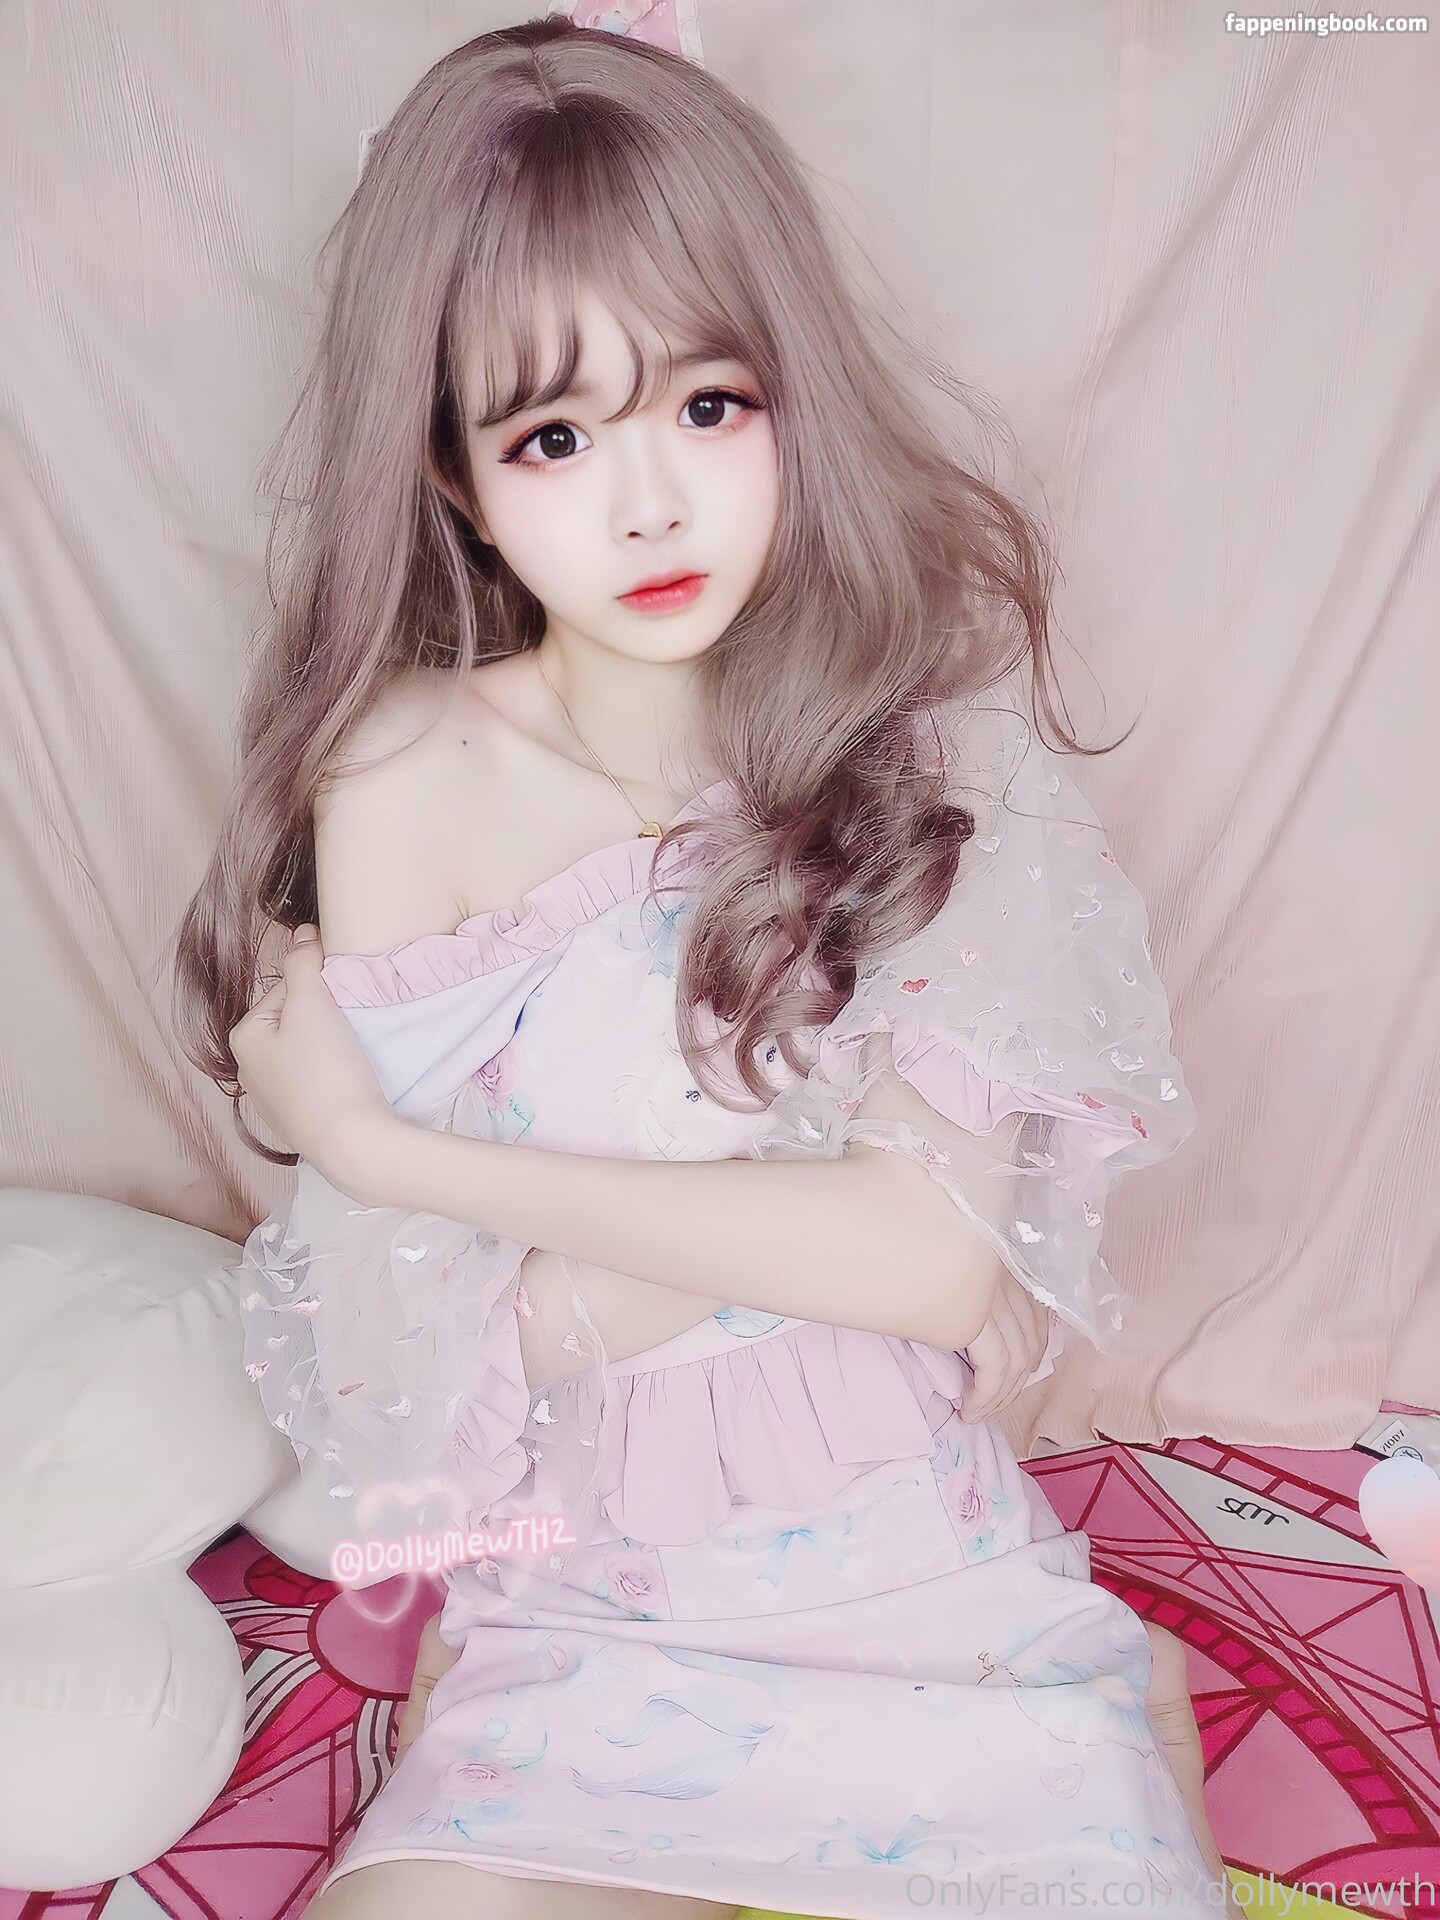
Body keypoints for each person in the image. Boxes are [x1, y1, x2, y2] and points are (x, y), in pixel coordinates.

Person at [172, 17, 1236, 1918]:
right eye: (554, 437)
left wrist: (399, 1159)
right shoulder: (403, 779)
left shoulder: (936, 761)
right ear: (452, 475)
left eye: (711, 406)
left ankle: (1107, 1705)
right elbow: (413, 1357)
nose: (649, 506)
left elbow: (924, 1266)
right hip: (584, 1606)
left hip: (923, 1586)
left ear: (794, 395)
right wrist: (815, 1213)